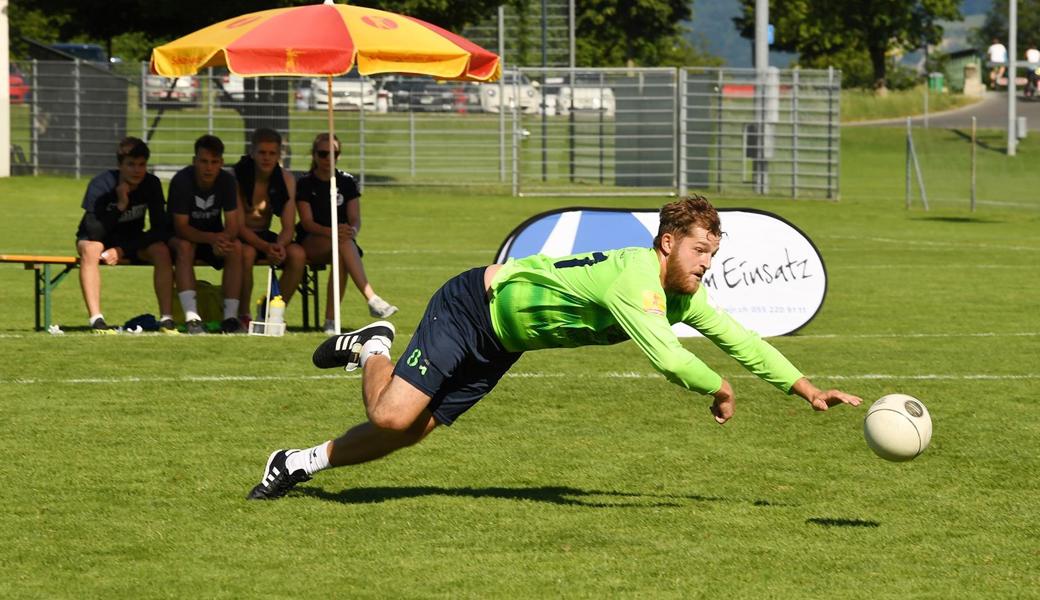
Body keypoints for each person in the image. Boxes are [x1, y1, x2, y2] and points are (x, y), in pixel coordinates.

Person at [247, 195, 863, 500]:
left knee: (408, 433)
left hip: (502, 344)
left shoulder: (678, 294)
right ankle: (373, 344)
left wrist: (805, 388)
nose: (707, 265)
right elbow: (671, 358)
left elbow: (739, 338)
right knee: (391, 415)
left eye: (714, 255)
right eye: (700, 251)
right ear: (669, 242)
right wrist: (718, 386)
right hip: (471, 306)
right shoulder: (633, 278)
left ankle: (298, 462)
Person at [295, 133, 397, 334]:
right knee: (342, 244)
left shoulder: (347, 182)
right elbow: (307, 223)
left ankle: (331, 322)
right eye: (323, 154)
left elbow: (355, 219)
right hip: (312, 241)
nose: (328, 159)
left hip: (341, 242)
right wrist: (333, 232)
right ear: (314, 155)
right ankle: (371, 298)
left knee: (342, 250)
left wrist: (352, 231)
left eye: (334, 153)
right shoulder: (305, 183)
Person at [75, 137, 176, 334]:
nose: (137, 170)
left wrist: (122, 250)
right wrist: (121, 205)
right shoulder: (101, 184)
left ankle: (166, 319)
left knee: (161, 250)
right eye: (131, 165)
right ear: (119, 165)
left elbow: (160, 230)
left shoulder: (151, 184)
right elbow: (93, 231)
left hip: (130, 241)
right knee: (91, 248)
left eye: (142, 165)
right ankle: (96, 319)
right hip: (97, 238)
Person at [167, 134, 244, 334]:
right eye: (203, 161)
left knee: (236, 248)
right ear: (194, 161)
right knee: (185, 246)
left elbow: (233, 223)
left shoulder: (227, 181)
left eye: (214, 162)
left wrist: (224, 240)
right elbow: (181, 227)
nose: (209, 167)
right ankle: (192, 318)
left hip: (212, 239)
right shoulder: (182, 181)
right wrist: (212, 238)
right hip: (178, 238)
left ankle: (230, 318)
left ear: (221, 162)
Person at [232, 128, 306, 326]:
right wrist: (266, 248)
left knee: (297, 254)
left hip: (265, 236)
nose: (266, 158)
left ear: (279, 155)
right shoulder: (238, 176)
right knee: (246, 253)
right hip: (241, 236)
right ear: (252, 152)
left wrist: (280, 246)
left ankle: (271, 311)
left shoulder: (286, 179)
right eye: (262, 153)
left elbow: (288, 226)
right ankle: (244, 315)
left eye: (272, 153)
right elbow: (237, 225)